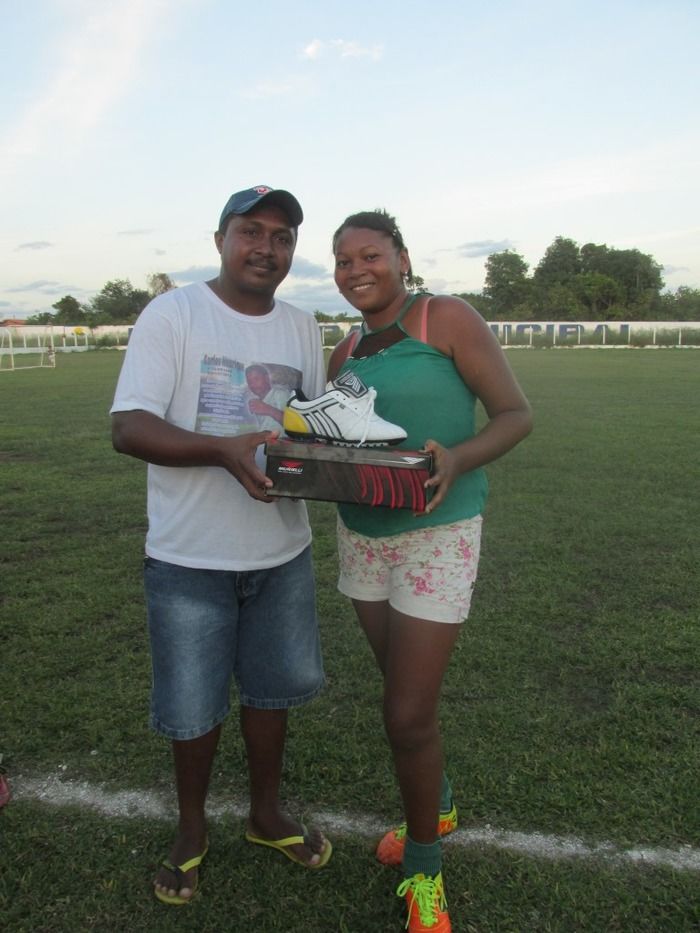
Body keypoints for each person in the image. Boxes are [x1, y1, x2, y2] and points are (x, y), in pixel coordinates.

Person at [110, 185, 331, 906]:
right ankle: (191, 827)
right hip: (189, 556)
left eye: (281, 237)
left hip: (280, 554)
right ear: (220, 240)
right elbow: (129, 426)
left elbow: (312, 433)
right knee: (193, 703)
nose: (266, 247)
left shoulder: (302, 328)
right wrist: (225, 449)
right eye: (251, 231)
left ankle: (266, 813)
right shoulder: (174, 313)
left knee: (271, 695)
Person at [327, 209, 533, 932]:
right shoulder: (344, 349)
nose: (357, 269)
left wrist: (458, 456)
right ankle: (438, 798)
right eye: (343, 259)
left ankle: (424, 869)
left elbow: (514, 413)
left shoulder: (443, 317)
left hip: (438, 535)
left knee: (406, 713)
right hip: (364, 539)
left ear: (401, 257)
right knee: (399, 692)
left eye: (370, 254)